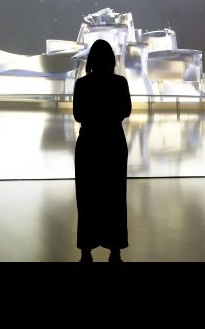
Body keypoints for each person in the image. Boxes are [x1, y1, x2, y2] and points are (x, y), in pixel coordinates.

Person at [73, 39, 132, 262]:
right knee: (114, 196)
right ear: (111, 60)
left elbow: (78, 115)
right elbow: (126, 110)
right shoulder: (119, 82)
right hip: (113, 141)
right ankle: (115, 249)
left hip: (89, 141)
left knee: (87, 196)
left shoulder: (82, 84)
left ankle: (86, 249)